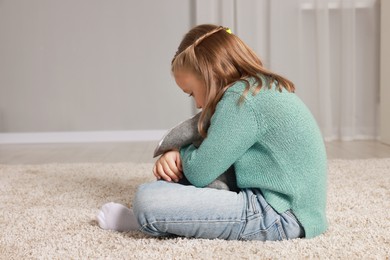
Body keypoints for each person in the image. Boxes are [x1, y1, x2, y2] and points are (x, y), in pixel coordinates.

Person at [97, 24, 328, 241]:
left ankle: (150, 221)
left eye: (191, 92)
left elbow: (199, 172)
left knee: (148, 200)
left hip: (278, 215)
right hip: (288, 207)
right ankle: (173, 218)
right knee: (170, 187)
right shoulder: (257, 87)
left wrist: (180, 150)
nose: (197, 104)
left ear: (210, 76)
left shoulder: (241, 100)